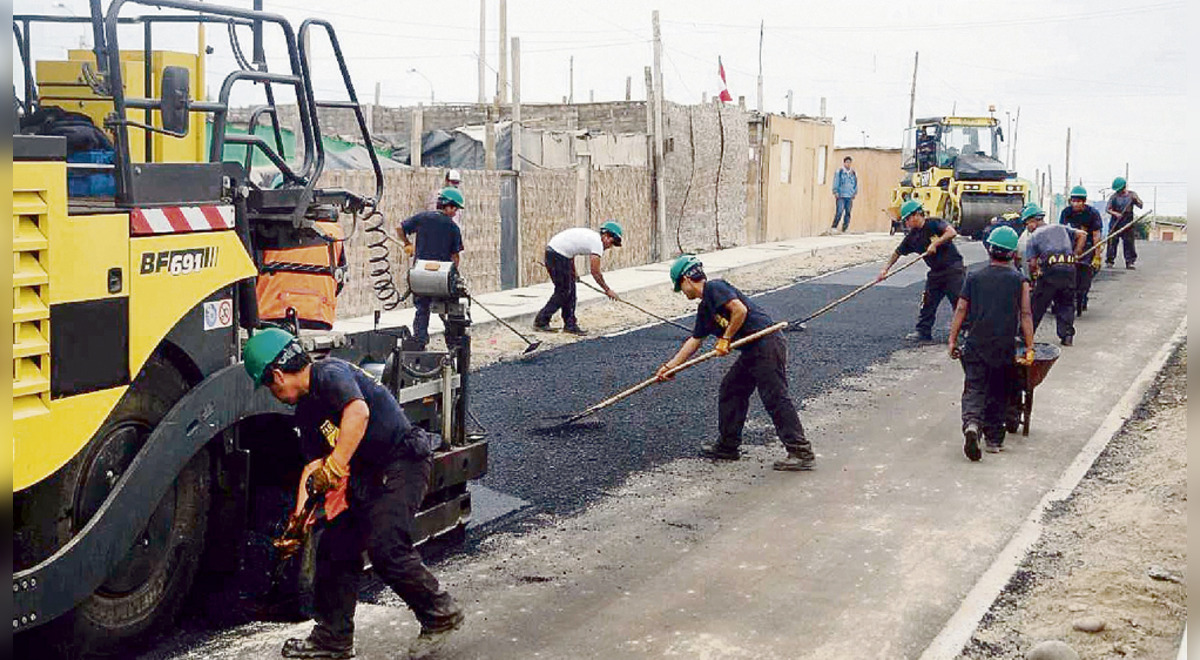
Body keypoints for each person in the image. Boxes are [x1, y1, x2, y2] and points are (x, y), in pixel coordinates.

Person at [241, 329, 464, 659]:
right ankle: (333, 639)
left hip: (402, 460)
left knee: (385, 545)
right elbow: (314, 468)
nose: (273, 394)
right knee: (334, 548)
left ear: (277, 375)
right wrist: (298, 522)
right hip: (366, 474)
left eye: (270, 386)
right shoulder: (305, 412)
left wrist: (336, 465)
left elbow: (358, 413)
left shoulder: (330, 374)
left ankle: (439, 613)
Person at [656, 255, 815, 471]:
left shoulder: (715, 287)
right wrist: (670, 366)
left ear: (687, 279)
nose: (682, 292)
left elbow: (740, 310)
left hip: (766, 342)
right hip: (751, 350)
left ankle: (800, 451)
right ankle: (728, 446)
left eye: (680, 286)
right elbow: (695, 341)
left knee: (774, 396)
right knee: (731, 390)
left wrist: (725, 338)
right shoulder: (705, 309)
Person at [947, 227, 1036, 460]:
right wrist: (1029, 347)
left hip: (976, 345)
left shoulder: (974, 277)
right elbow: (1026, 315)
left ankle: (972, 425)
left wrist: (952, 339)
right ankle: (994, 440)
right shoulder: (1019, 280)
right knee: (999, 391)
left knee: (974, 388)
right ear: (1013, 254)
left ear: (989, 249)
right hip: (1003, 348)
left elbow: (961, 309)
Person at [877, 199, 965, 341]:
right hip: (935, 272)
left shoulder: (934, 224)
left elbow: (951, 232)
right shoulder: (912, 237)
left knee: (959, 301)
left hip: (953, 269)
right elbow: (897, 253)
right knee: (928, 302)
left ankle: (966, 330)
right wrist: (884, 270)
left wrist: (936, 242)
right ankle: (923, 332)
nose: (906, 223)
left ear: (916, 215)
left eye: (907, 220)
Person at [399, 187, 465, 349]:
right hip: (441, 277)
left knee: (422, 310)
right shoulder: (453, 228)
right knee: (449, 310)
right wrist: (454, 275)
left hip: (421, 274)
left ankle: (420, 343)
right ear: (448, 206)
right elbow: (455, 256)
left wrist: (407, 243)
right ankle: (453, 344)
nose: (455, 212)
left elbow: (400, 228)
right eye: (455, 208)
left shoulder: (422, 218)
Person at [533, 221, 623, 335]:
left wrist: (573, 272)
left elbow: (571, 251)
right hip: (556, 255)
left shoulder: (591, 238)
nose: (610, 246)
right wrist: (607, 290)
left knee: (570, 291)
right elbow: (595, 272)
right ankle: (541, 321)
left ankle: (570, 325)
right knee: (563, 291)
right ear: (605, 235)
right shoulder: (597, 243)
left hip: (559, 255)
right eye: (611, 241)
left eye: (613, 244)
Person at [1023, 204, 1086, 346]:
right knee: (1066, 303)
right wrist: (1075, 254)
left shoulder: (1034, 237)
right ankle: (1067, 336)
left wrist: (1034, 278)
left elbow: (1032, 264)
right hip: (1070, 269)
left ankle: (1025, 336)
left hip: (1051, 271)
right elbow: (1082, 235)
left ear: (1034, 221)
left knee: (1038, 304)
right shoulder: (1061, 227)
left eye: (1027, 223)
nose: (1027, 227)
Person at [1059, 186, 1104, 314]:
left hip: (1088, 245)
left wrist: (1097, 256)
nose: (1076, 204)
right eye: (1074, 201)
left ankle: (1083, 295)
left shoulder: (1092, 214)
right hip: (1071, 244)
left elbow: (1096, 235)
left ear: (1084, 202)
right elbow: (1062, 231)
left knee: (1086, 272)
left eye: (1079, 201)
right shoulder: (1066, 212)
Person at [1105, 176, 1143, 269]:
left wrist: (1136, 200)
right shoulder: (1114, 197)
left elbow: (1141, 205)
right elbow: (1108, 209)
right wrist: (1116, 214)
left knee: (1129, 242)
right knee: (1112, 242)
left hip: (1128, 222)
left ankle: (1130, 262)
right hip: (1115, 222)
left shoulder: (1132, 195)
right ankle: (1110, 261)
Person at [830, 155, 858, 233]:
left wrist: (854, 192)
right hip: (841, 195)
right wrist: (835, 191)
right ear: (844, 163)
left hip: (849, 195)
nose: (848, 164)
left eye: (849, 163)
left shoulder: (853, 173)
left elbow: (855, 183)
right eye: (847, 162)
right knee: (839, 211)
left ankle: (845, 228)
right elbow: (836, 182)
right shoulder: (840, 172)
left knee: (848, 212)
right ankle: (834, 227)